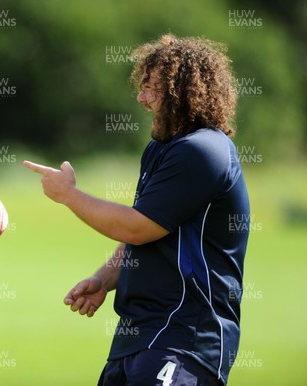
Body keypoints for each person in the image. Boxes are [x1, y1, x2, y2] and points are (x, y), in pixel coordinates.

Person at [24, 34, 250, 385]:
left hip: (185, 338)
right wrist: (105, 278)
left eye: (152, 88)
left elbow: (136, 227)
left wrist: (69, 195)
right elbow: (147, 232)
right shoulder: (163, 149)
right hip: (140, 338)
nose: (142, 99)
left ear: (183, 93)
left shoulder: (203, 151)